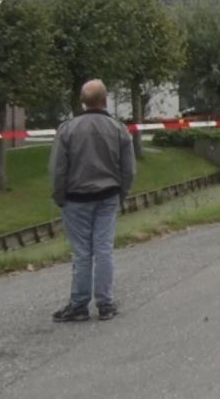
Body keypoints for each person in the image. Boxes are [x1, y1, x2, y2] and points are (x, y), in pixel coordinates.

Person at [49, 79, 135, 322]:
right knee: (104, 248)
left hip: (76, 198)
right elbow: (128, 170)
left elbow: (58, 169)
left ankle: (78, 305)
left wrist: (60, 196)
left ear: (82, 102)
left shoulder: (67, 129)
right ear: (105, 99)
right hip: (107, 195)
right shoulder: (118, 129)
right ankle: (105, 303)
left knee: (82, 253)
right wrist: (122, 193)